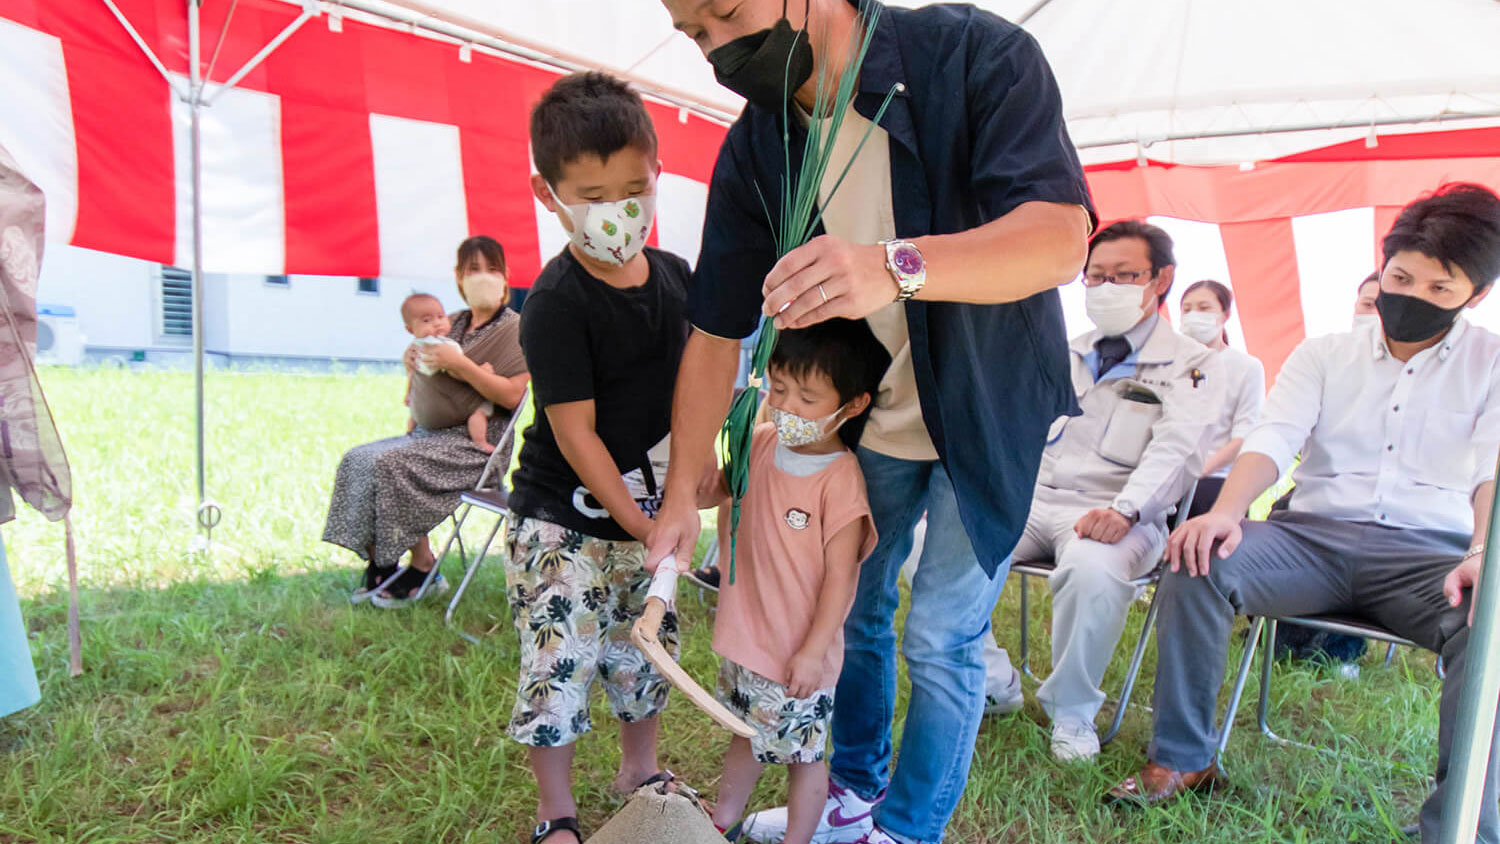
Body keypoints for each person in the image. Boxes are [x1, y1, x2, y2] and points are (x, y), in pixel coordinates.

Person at [655, 2, 1095, 842]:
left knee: (940, 632)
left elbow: (1059, 238)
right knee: (851, 603)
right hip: (873, 416)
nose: (716, 48)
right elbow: (715, 333)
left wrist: (894, 267)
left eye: (722, 12)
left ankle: (909, 828)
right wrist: (681, 493)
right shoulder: (760, 142)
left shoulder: (973, 55)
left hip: (989, 408)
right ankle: (852, 790)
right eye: (693, 34)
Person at [1107, 183, 1500, 844]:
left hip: (1431, 554)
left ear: (1477, 295)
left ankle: (1461, 824)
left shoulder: (1491, 363)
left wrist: (1481, 555)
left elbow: (1492, 470)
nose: (1413, 297)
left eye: (1440, 289)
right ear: (1384, 267)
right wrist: (1227, 512)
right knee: (1199, 557)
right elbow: (1273, 438)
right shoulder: (1325, 353)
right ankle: (1183, 759)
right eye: (1402, 277)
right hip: (1311, 540)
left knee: (1492, 617)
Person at [504, 71, 693, 844]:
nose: (614, 212)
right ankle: (556, 814)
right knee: (561, 661)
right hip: (561, 523)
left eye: (632, 188)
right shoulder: (556, 303)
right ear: (548, 193)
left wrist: (686, 493)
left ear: (657, 175)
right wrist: (641, 523)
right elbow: (575, 433)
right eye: (589, 193)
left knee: (643, 654)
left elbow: (695, 395)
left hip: (646, 519)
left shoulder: (680, 280)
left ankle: (637, 769)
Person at [983, 221, 1220, 761]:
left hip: (1122, 511)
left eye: (1125, 275)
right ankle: (994, 681)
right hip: (1034, 499)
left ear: (1161, 280)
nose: (1107, 287)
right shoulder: (1065, 351)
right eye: (1096, 277)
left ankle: (1072, 713)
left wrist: (1127, 508)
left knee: (1092, 569)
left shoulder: (1195, 365)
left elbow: (1177, 449)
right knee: (932, 545)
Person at [709, 321, 883, 844]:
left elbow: (840, 578)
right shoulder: (758, 441)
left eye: (807, 397)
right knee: (745, 735)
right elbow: (710, 488)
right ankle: (720, 821)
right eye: (780, 388)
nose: (787, 406)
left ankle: (799, 839)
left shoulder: (840, 478)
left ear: (852, 405)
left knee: (804, 758)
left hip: (798, 659)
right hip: (748, 642)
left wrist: (812, 651)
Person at [322, 235, 529, 607]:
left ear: (505, 277)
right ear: (459, 278)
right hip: (426, 434)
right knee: (358, 458)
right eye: (473, 269)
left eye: (491, 268)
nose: (483, 277)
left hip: (476, 445)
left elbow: (514, 396)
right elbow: (419, 356)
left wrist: (462, 366)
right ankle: (381, 560)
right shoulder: (448, 321)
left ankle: (424, 565)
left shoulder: (515, 328)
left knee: (389, 464)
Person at [1177, 280, 1266, 517]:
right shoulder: (1166, 363)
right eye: (1187, 309)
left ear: (1225, 314)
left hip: (1214, 480)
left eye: (1204, 308)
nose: (1194, 314)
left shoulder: (1246, 367)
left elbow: (1244, 436)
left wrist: (1198, 470)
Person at [401, 292, 496, 453]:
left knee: (415, 405)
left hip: (419, 415)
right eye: (427, 320)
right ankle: (480, 441)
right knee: (481, 408)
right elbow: (459, 372)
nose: (437, 323)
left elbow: (411, 374)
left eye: (441, 316)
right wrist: (482, 371)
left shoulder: (413, 348)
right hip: (443, 414)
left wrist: (407, 393)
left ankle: (409, 432)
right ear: (410, 329)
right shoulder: (443, 346)